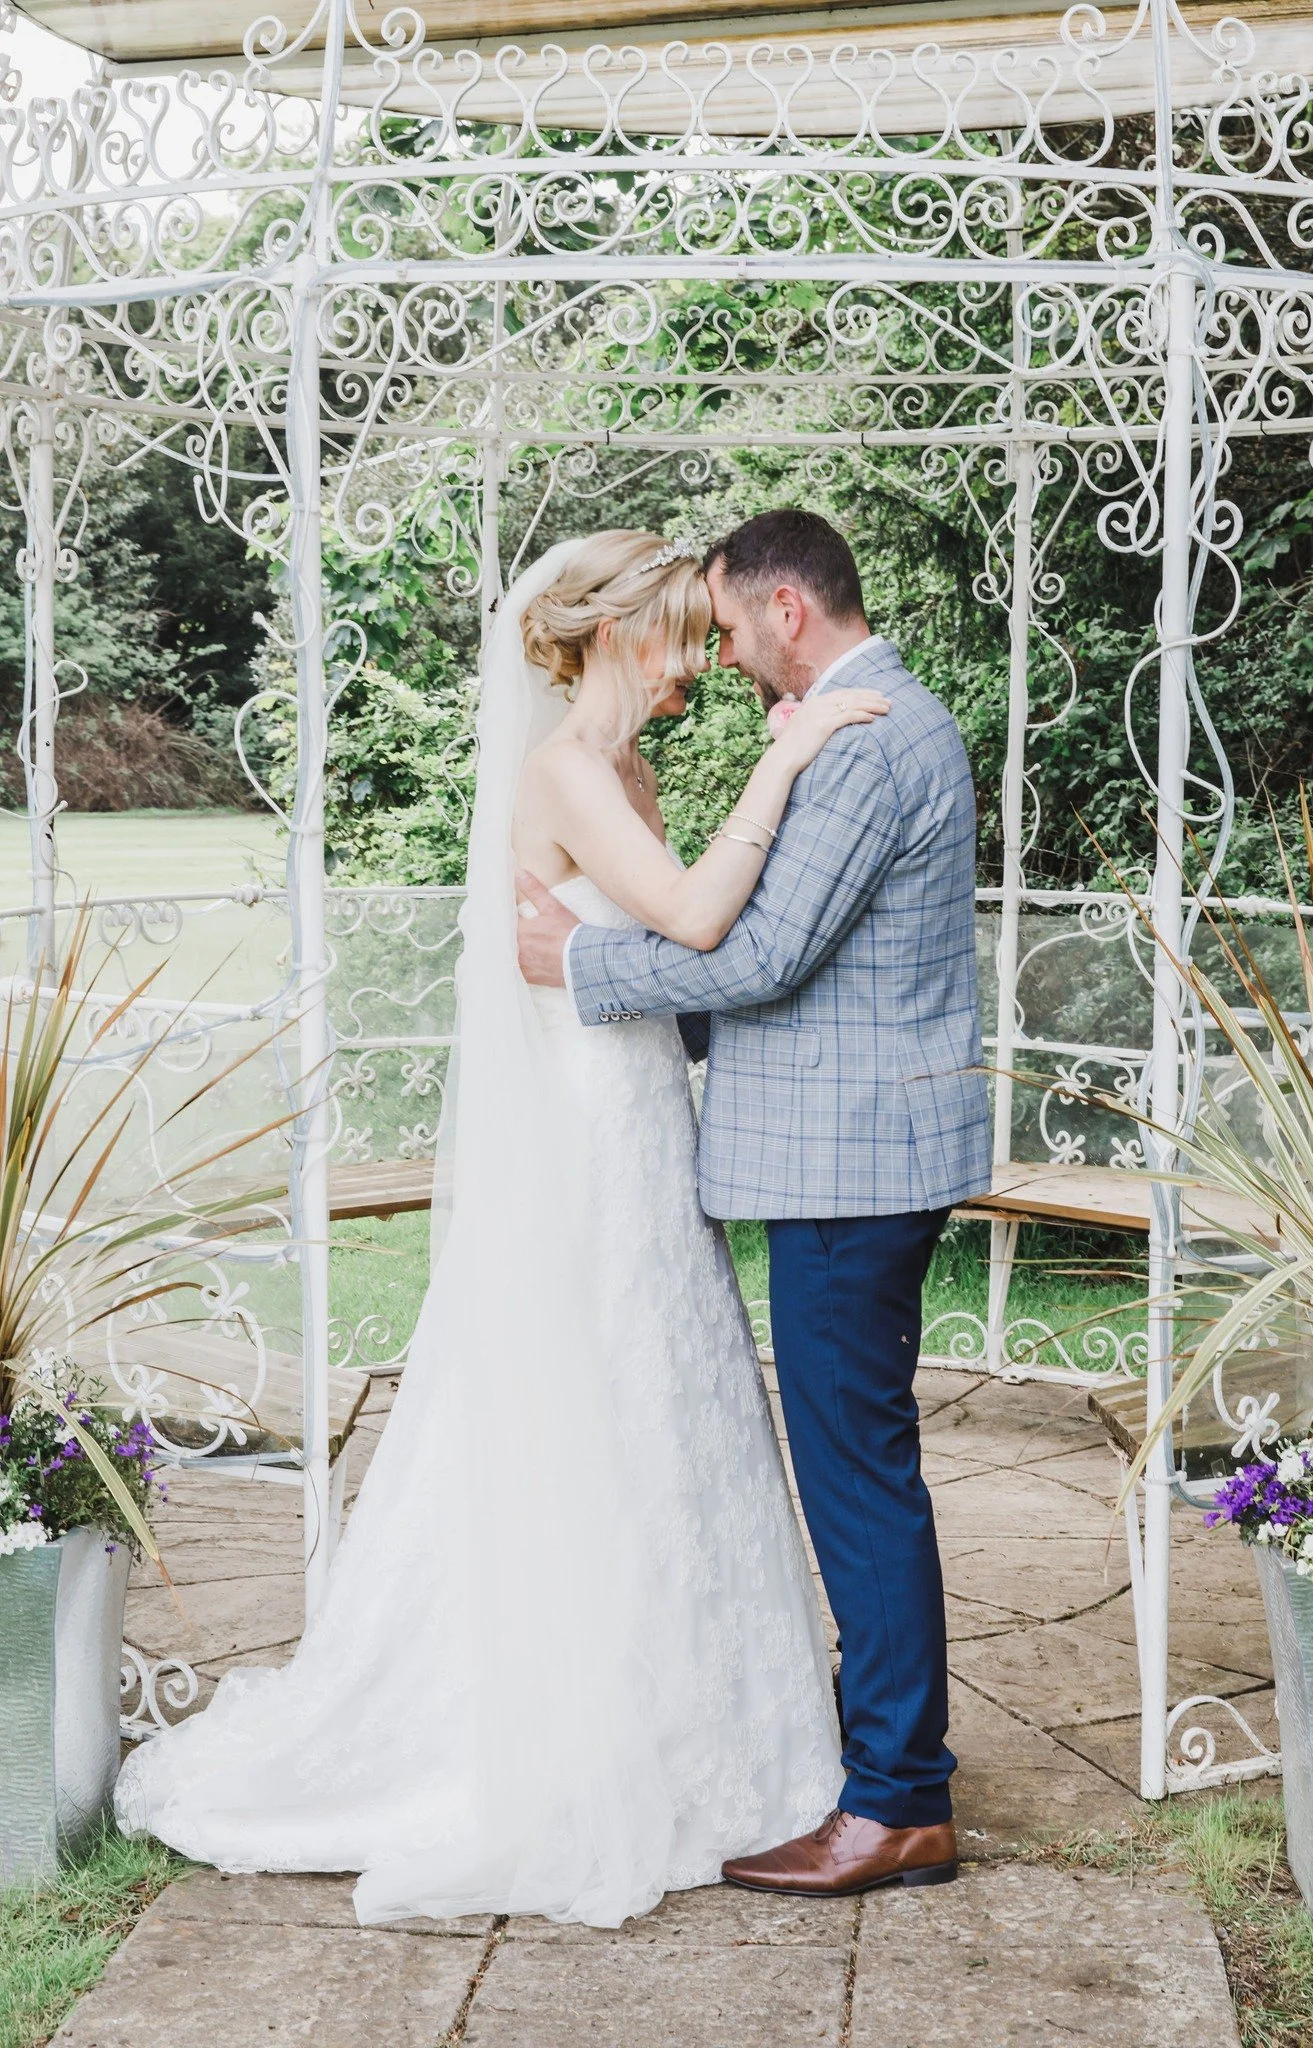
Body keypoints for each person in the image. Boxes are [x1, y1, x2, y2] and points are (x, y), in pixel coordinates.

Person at [114, 527, 887, 1929]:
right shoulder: (564, 775)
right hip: (586, 1134)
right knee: (574, 1399)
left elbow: (652, 953)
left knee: (671, 1407)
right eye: (683, 637)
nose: (703, 663)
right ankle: (526, 1725)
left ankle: (704, 1729)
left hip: (647, 1115)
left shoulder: (631, 773)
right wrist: (790, 758)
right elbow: (702, 918)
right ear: (610, 633)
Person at [518, 508, 991, 1898]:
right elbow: (780, 959)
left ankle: (900, 1798)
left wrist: (583, 971)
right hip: (846, 1152)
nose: (718, 659)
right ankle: (878, 1763)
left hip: (853, 1163)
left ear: (789, 611)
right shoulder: (866, 724)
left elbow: (764, 957)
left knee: (856, 1479)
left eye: (726, 629)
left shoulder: (862, 737)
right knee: (857, 1467)